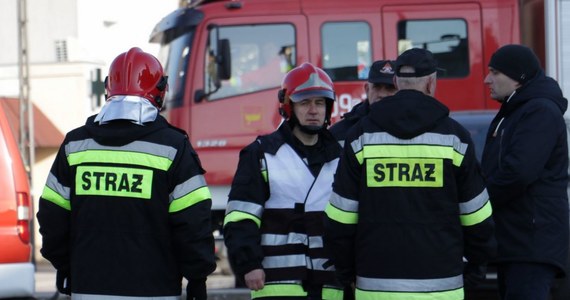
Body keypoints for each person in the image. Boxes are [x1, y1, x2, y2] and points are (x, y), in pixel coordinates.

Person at [36, 47, 216, 300]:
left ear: (109, 87)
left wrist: (65, 265)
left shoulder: (75, 146)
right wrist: (197, 276)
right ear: (160, 91)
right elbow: (192, 222)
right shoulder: (173, 147)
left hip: (88, 288)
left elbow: (53, 216)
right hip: (156, 290)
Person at [324, 48, 496, 299]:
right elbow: (477, 217)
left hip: (375, 286)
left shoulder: (360, 136)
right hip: (442, 286)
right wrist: (476, 268)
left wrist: (347, 271)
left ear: (395, 82)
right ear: (431, 82)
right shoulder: (455, 137)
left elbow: (340, 217)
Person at [223, 62, 345, 299]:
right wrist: (249, 264)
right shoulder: (261, 154)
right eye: (305, 102)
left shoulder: (341, 157)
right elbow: (240, 217)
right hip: (277, 284)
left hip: (330, 287)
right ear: (289, 107)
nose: (314, 110)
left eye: (320, 103)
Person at [481, 44, 569, 300]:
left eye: (495, 72)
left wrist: (478, 201)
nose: (487, 79)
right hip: (517, 240)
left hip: (531, 242)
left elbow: (518, 172)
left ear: (518, 78)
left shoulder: (538, 111)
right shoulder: (515, 110)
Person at [329, 59, 397, 146]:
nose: (382, 94)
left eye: (390, 88)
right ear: (367, 90)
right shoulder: (339, 133)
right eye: (377, 87)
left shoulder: (417, 127)